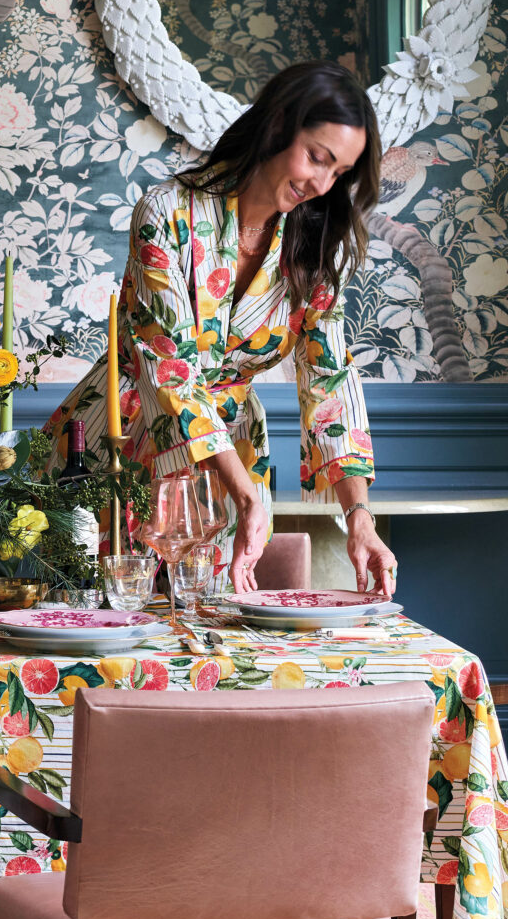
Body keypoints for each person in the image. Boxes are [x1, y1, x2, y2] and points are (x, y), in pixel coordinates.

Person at [46, 60, 396, 597]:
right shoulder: (166, 213)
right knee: (95, 627)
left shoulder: (314, 248)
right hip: (120, 441)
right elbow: (171, 369)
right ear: (279, 125)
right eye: (317, 158)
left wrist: (360, 517)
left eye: (339, 173)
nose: (321, 184)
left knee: (201, 641)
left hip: (229, 463)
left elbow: (330, 384)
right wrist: (245, 493)